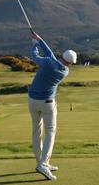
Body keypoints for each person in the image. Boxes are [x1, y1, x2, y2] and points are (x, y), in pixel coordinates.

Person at [28, 31, 77, 180]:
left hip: (32, 101)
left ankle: (42, 162)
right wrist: (40, 40)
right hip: (48, 103)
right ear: (70, 63)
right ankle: (43, 164)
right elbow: (51, 56)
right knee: (50, 132)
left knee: (36, 131)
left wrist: (35, 44)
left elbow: (36, 57)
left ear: (62, 56)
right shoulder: (65, 71)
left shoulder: (50, 62)